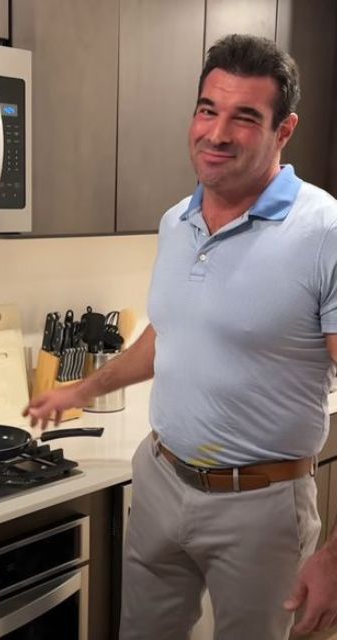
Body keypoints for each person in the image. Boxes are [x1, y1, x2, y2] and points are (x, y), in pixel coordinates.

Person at [24, 34, 337, 640]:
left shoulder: (323, 232)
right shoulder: (178, 220)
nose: (216, 133)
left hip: (262, 507)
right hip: (160, 480)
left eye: (244, 117)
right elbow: (167, 334)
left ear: (284, 130)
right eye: (207, 110)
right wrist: (81, 390)